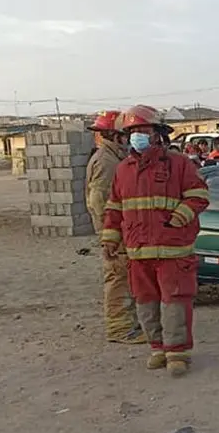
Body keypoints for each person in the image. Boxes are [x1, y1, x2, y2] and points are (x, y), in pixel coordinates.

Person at [102, 105, 209, 377]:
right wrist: (110, 239)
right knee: (145, 303)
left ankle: (177, 352)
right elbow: (114, 207)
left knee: (175, 302)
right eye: (132, 132)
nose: (136, 136)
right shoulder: (123, 169)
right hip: (138, 253)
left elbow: (199, 196)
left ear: (158, 133)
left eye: (142, 130)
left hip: (173, 251)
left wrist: (179, 217)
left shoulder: (179, 164)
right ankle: (158, 348)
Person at [84, 110, 144, 345]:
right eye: (126, 135)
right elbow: (99, 201)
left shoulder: (113, 158)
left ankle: (129, 324)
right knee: (118, 280)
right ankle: (120, 329)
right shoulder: (106, 162)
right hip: (115, 234)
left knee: (124, 278)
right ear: (116, 136)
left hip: (119, 231)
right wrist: (110, 234)